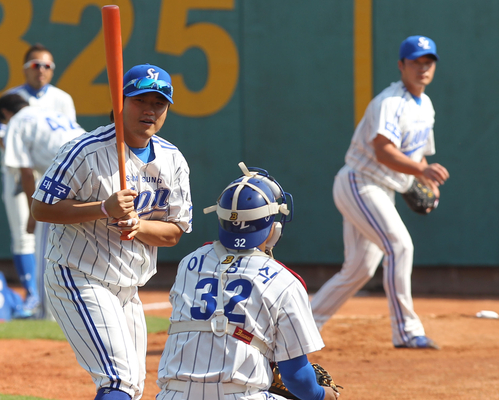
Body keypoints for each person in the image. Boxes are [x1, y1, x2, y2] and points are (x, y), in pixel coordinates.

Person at [31, 63, 193, 400]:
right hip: (78, 274)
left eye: (159, 103)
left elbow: (174, 231)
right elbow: (42, 209)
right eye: (140, 100)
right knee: (118, 381)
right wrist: (103, 208)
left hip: (128, 285)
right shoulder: (84, 151)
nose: (150, 110)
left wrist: (140, 225)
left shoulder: (173, 160)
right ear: (120, 101)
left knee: (131, 388)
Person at [311, 35, 450, 349]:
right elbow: (384, 150)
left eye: (428, 62)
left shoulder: (425, 105)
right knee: (399, 246)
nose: (423, 68)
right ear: (401, 65)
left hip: (379, 189)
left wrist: (424, 176)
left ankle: (304, 324)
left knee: (359, 268)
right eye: (416, 62)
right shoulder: (390, 102)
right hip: (360, 182)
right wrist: (421, 172)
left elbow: (416, 154)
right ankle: (407, 331)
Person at [156, 162, 339, 400]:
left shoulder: (188, 264)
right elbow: (296, 379)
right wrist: (323, 395)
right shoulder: (285, 281)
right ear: (273, 230)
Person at [0, 43, 77, 317]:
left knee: (49, 236)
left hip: (53, 175)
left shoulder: (58, 100)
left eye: (46, 66)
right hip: (44, 173)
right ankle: (38, 296)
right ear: (25, 69)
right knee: (25, 238)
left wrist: (36, 210)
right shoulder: (11, 98)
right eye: (35, 65)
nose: (41, 70)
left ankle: (46, 305)